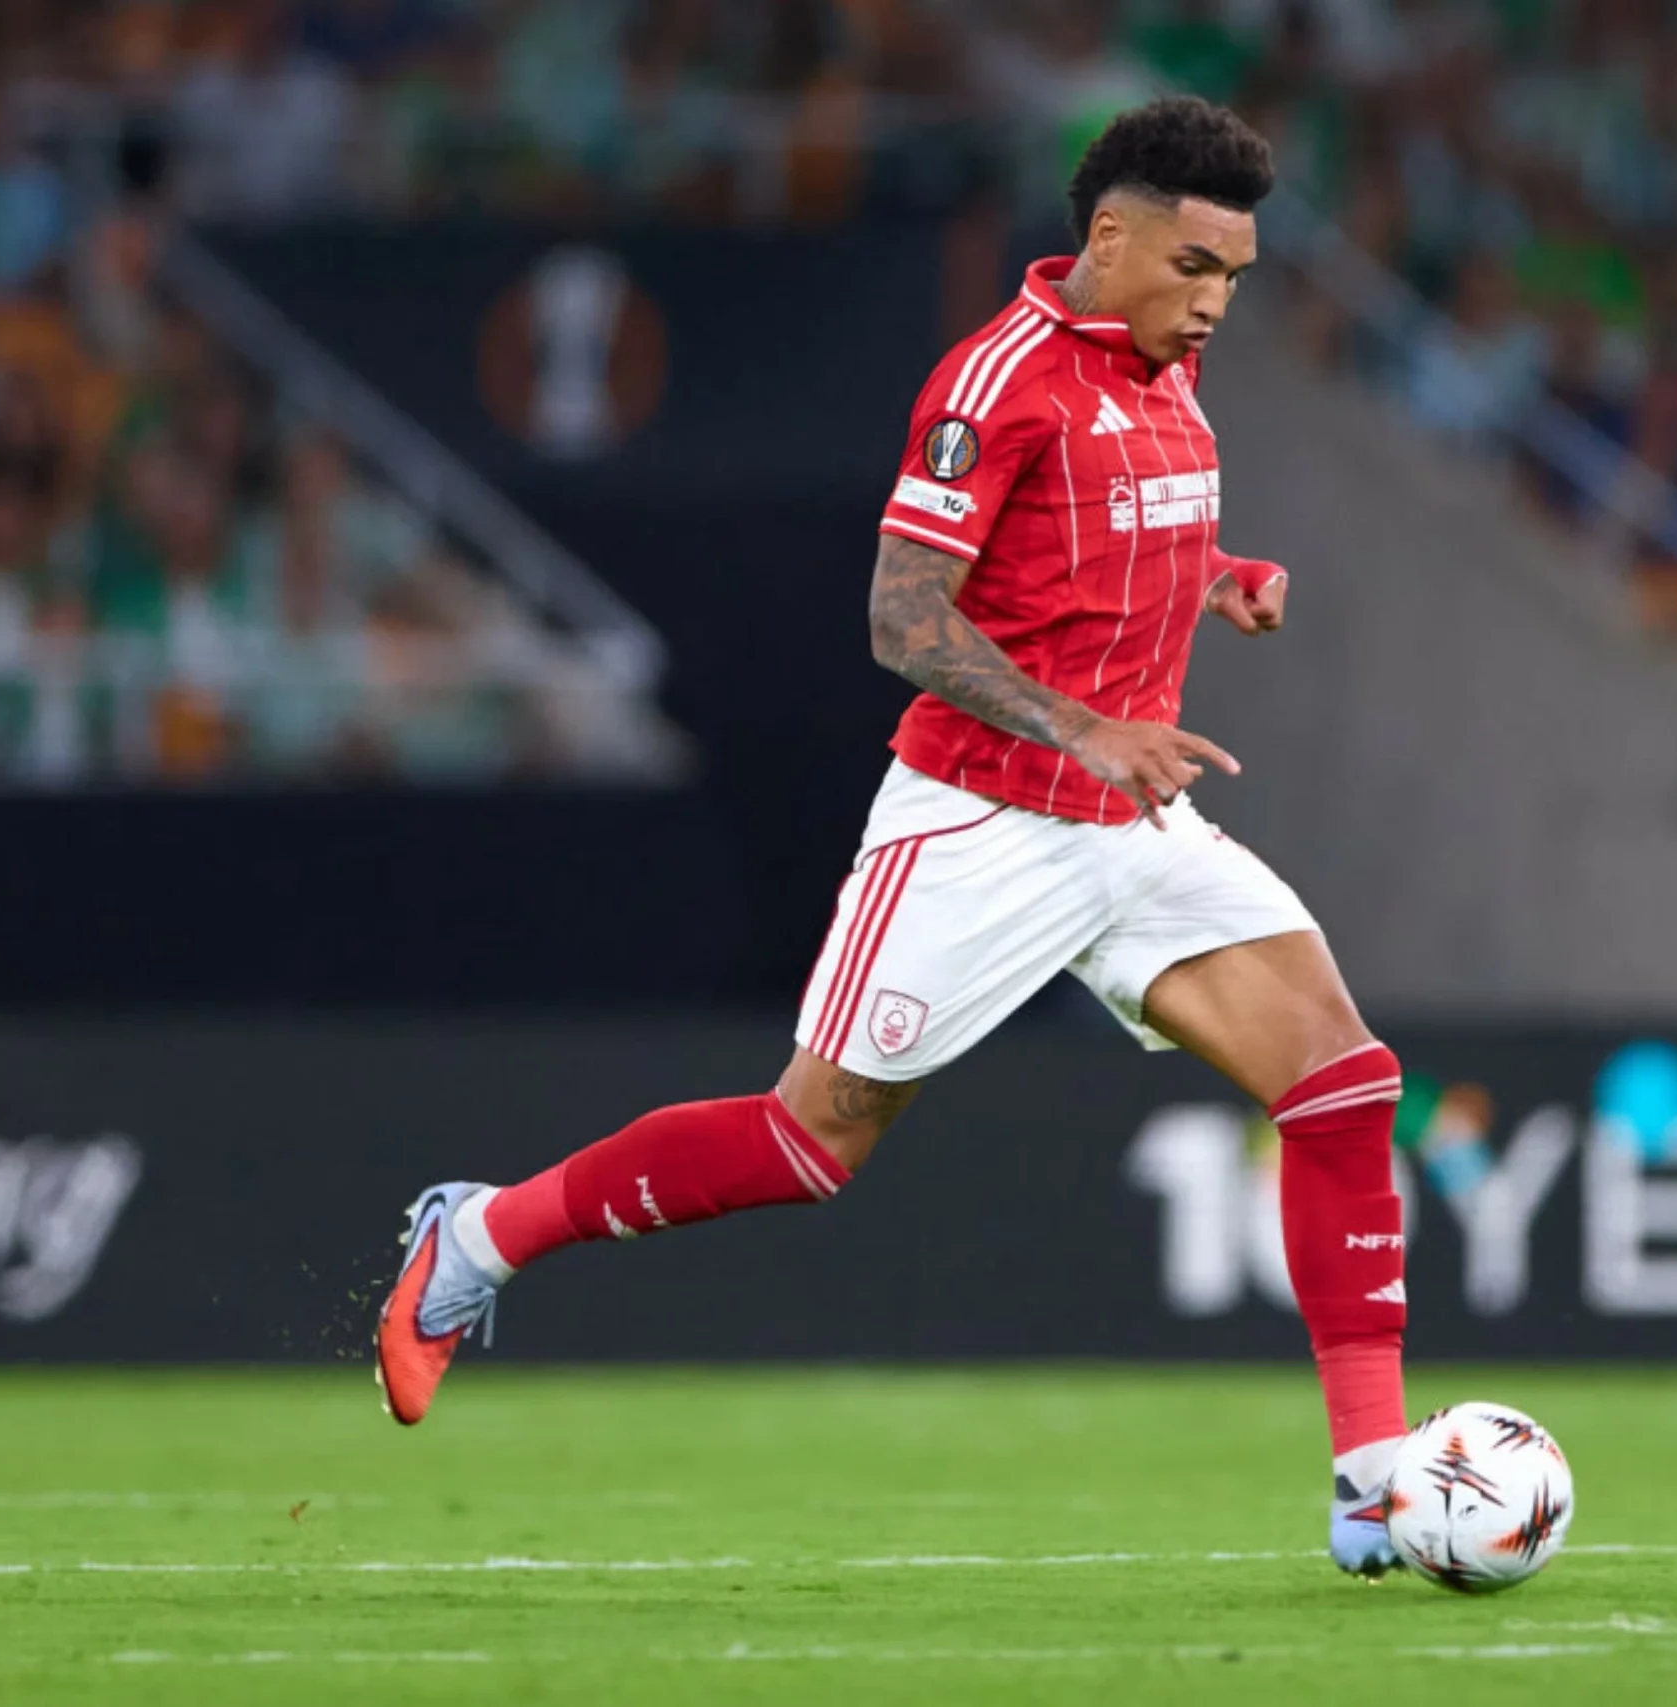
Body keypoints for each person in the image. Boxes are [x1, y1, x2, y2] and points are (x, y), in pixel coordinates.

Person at [375, 97, 1413, 1579]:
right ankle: (479, 1237)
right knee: (808, 1142)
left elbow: (1091, 546)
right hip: (982, 821)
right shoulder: (995, 382)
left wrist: (1218, 576)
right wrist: (1082, 727)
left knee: (1343, 1082)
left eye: (1235, 278)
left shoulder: (1168, 372)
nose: (1214, 305)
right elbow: (903, 618)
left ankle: (1373, 1483)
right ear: (1109, 236)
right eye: (1195, 267)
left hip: (1131, 821)